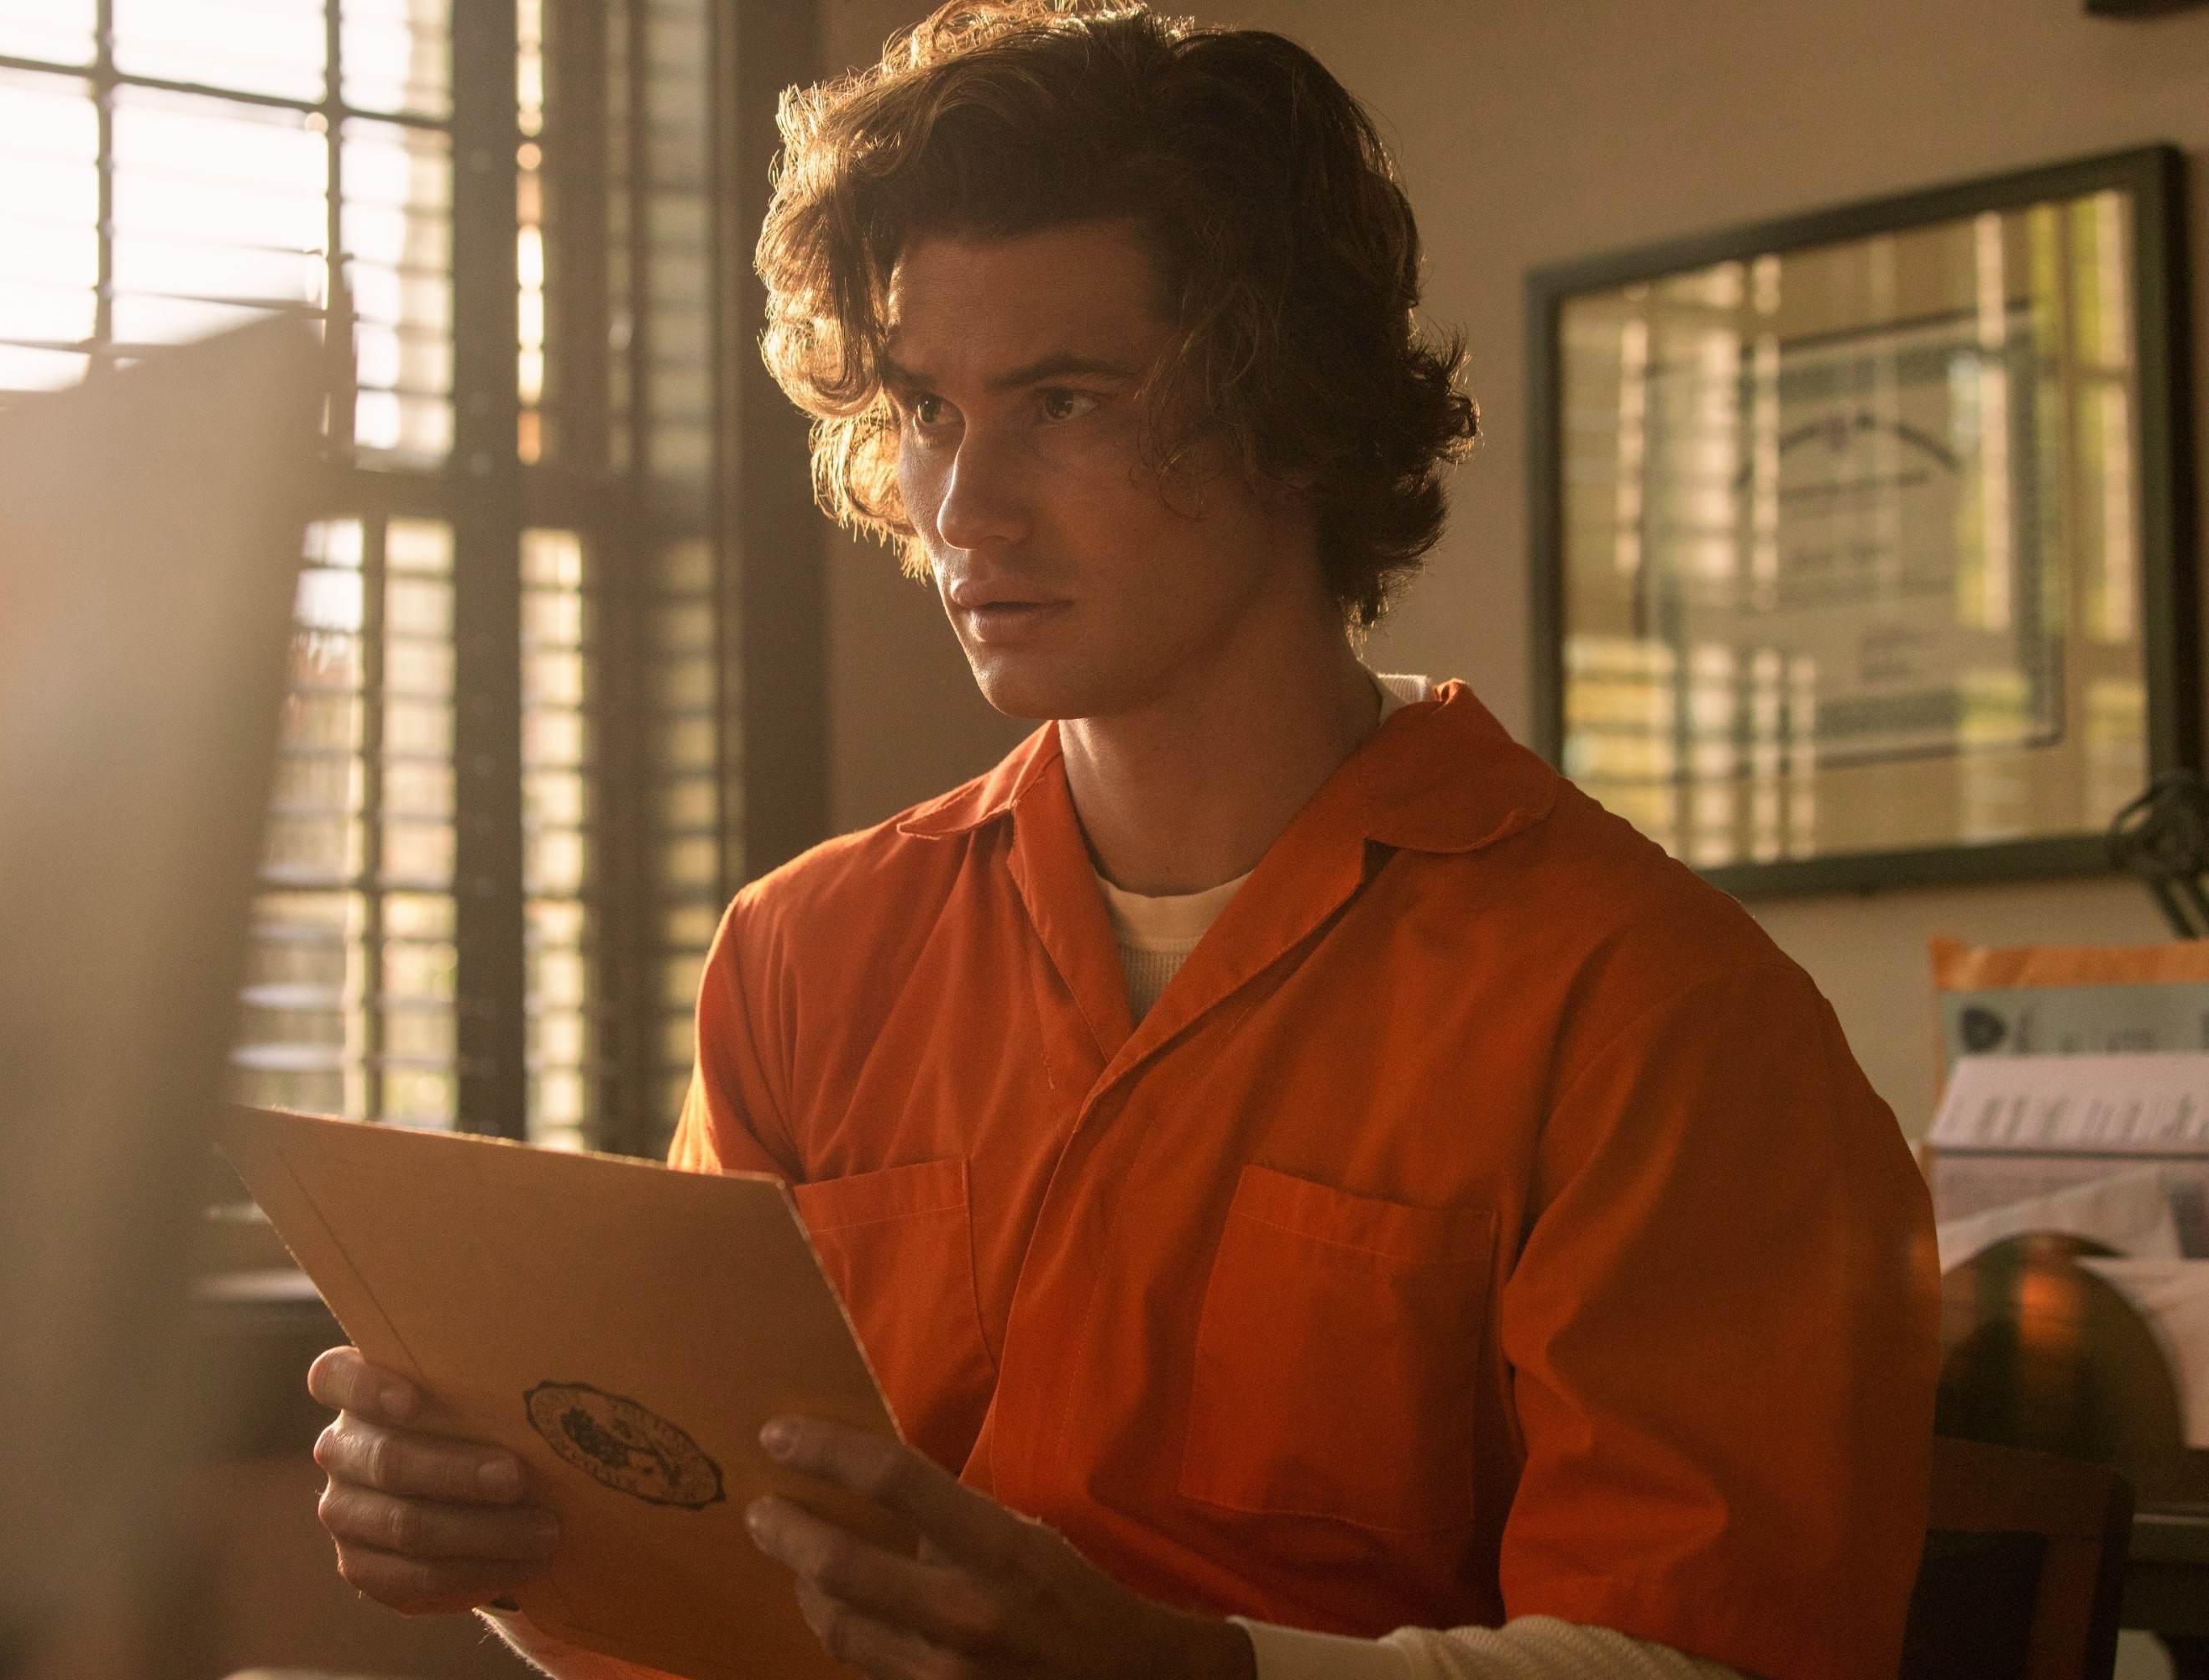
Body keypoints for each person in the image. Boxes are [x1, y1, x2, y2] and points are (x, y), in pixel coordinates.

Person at [304, 5, 1941, 1678]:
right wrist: (521, 1539)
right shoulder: (807, 954)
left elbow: (1718, 1657)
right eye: (929, 410)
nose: (964, 508)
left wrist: (1180, 1672)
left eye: (1063, 401)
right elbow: (713, 1588)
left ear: (1283, 411)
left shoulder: (1654, 1016)